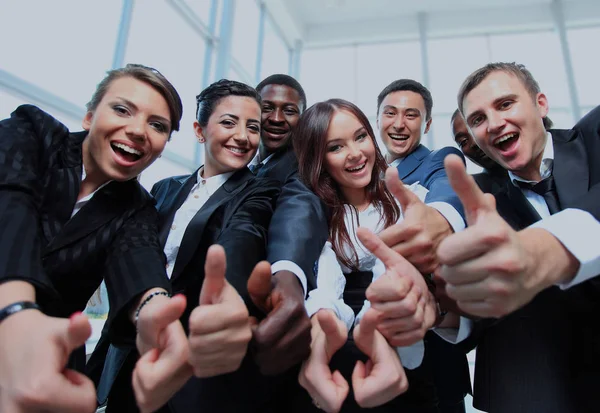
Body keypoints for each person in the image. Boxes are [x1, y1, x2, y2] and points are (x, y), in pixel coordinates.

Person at [0, 64, 194, 412]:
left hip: (50, 368)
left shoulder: (138, 207)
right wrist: (16, 310)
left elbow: (138, 258)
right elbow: (11, 204)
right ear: (90, 116)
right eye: (122, 109)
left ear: (162, 147)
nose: (137, 130)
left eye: (157, 125)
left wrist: (157, 312)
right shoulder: (33, 132)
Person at [95, 79, 281, 413]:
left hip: (195, 358)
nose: (242, 136)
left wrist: (229, 291)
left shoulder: (259, 190)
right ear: (199, 130)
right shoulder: (164, 188)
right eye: (228, 122)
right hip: (131, 348)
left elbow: (244, 232)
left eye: (253, 127)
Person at [438, 62, 600, 412]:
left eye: (505, 104)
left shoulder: (596, 135)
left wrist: (544, 249)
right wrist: (436, 308)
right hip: (538, 391)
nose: (494, 124)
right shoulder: (475, 197)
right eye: (477, 119)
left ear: (541, 104)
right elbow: (475, 299)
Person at [292, 98, 440, 413]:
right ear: (317, 159)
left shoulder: (410, 200)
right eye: (336, 147)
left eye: (361, 137)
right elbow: (322, 285)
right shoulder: (314, 214)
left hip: (399, 334)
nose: (356, 153)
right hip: (334, 343)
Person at [375, 79, 471, 413]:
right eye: (390, 113)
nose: (399, 124)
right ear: (378, 118)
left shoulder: (437, 159)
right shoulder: (362, 171)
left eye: (411, 115)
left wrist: (440, 219)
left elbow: (449, 187)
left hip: (432, 356)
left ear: (426, 124)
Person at [243, 74, 328, 401]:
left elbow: (300, 207)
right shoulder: (250, 165)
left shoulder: (304, 164)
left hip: (276, 316)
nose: (277, 119)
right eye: (268, 108)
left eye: (289, 110)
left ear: (303, 119)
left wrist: (288, 273)